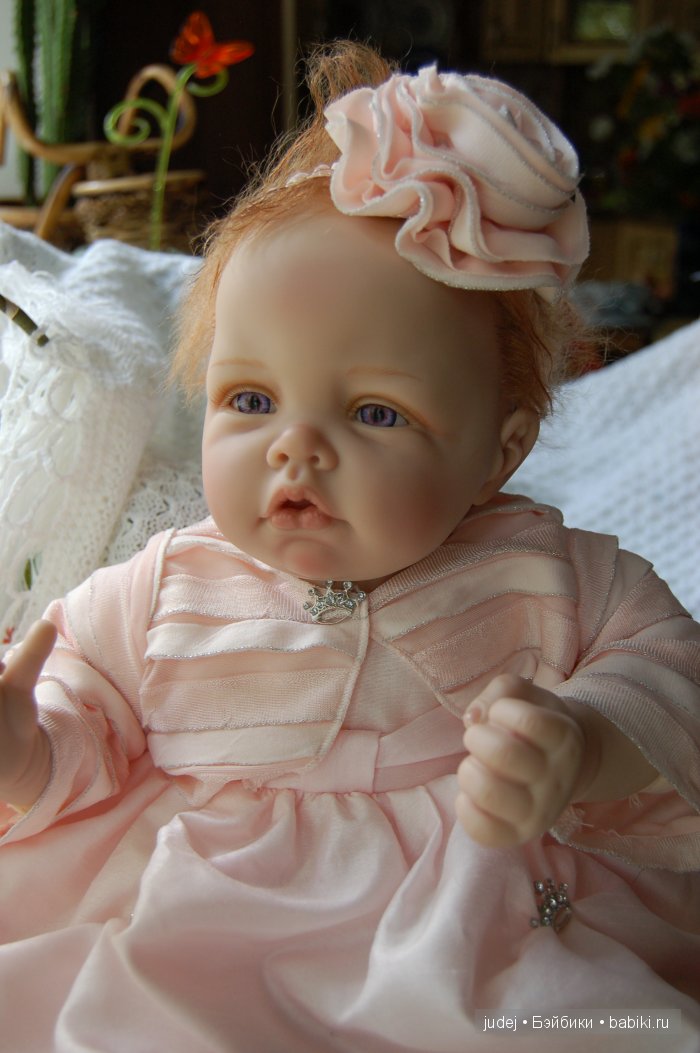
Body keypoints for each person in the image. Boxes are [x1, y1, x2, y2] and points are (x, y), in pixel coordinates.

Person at [0, 41, 699, 1053]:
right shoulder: (163, 588)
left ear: (498, 452)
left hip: (471, 936)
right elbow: (85, 718)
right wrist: (28, 749)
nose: (295, 448)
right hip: (199, 929)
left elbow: (671, 672)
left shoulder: (550, 578)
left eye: (374, 412)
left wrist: (582, 741)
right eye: (250, 399)